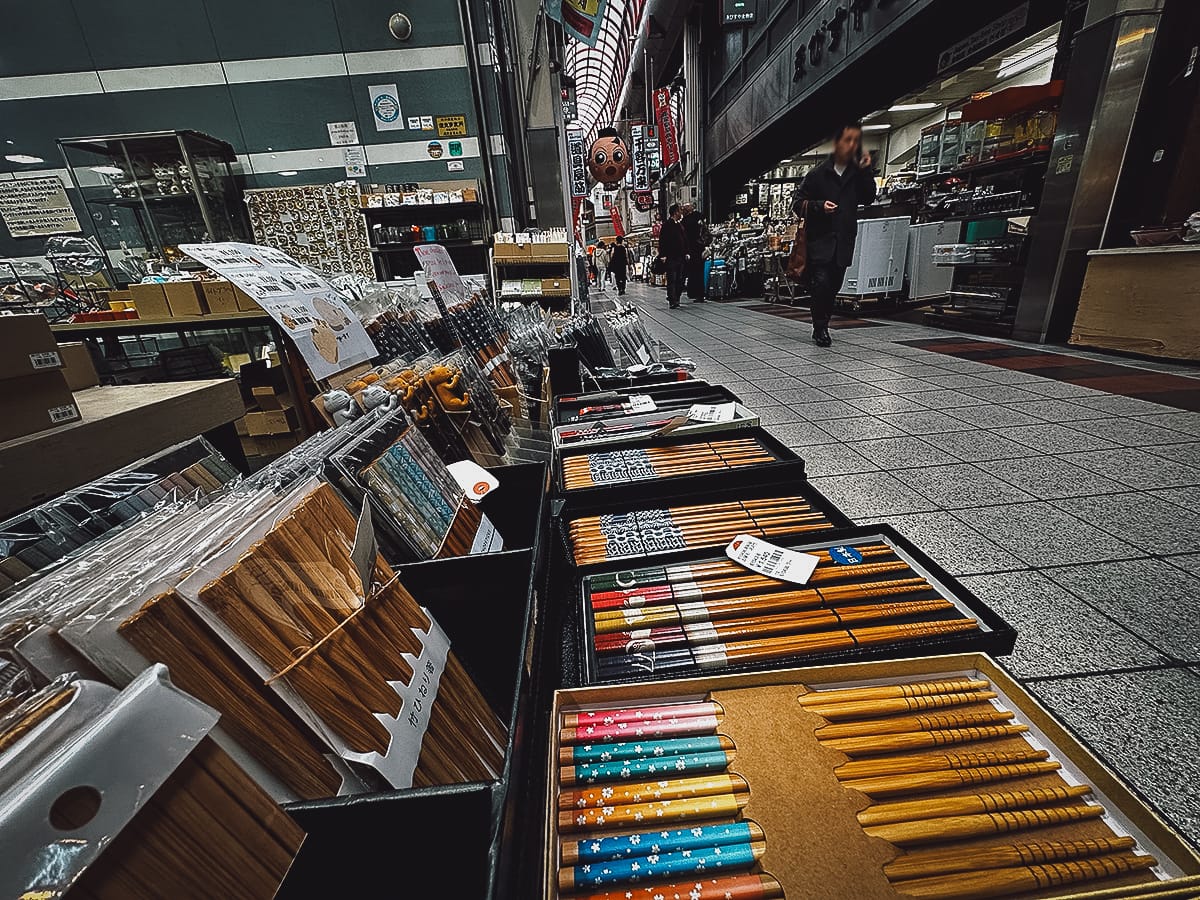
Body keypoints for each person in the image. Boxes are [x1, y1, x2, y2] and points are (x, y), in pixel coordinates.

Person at [793, 121, 877, 347]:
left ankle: (823, 320)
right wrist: (820, 207)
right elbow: (798, 203)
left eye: (855, 141)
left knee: (834, 285)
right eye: (847, 140)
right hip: (820, 241)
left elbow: (868, 197)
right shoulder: (818, 174)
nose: (851, 145)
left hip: (844, 240)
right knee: (821, 283)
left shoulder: (857, 174)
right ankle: (820, 327)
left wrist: (867, 170)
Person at [657, 204, 688, 309]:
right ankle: (672, 299)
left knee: (680, 278)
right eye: (680, 211)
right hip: (670, 257)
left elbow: (684, 240)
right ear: (675, 212)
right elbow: (662, 241)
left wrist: (686, 252)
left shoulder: (679, 225)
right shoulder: (667, 225)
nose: (681, 213)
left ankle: (676, 297)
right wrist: (663, 255)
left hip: (680, 256)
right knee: (672, 278)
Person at [680, 203, 710, 301]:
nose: (682, 212)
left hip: (691, 249)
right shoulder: (700, 217)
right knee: (699, 271)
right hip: (700, 248)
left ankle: (693, 292)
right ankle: (699, 293)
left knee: (691, 272)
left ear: (687, 211)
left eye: (683, 209)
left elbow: (685, 236)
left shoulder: (686, 222)